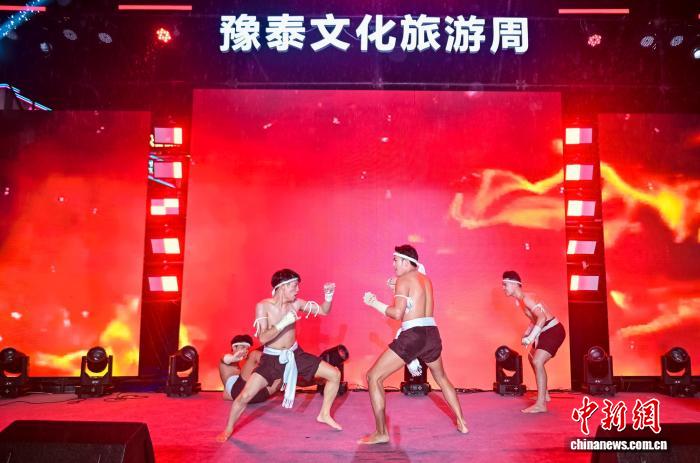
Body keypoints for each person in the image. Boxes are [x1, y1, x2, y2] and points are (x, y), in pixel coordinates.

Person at [216, 269, 342, 442]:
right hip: (271, 359)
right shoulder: (263, 306)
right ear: (282, 287)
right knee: (244, 396)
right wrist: (283, 323)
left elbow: (323, 311)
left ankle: (324, 414)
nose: (298, 290)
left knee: (335, 374)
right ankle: (228, 429)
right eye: (294, 286)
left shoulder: (296, 304)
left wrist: (328, 296)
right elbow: (262, 338)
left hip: (295, 355)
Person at [360, 245, 468, 445]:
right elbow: (414, 304)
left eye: (395, 260)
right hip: (431, 334)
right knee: (442, 378)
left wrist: (374, 303)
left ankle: (381, 433)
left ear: (405, 261)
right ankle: (462, 422)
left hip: (413, 336)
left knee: (373, 377)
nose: (393, 265)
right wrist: (395, 288)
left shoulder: (404, 280)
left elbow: (397, 314)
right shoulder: (425, 279)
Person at [502, 270, 566, 413]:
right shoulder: (520, 301)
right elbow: (535, 318)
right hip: (544, 331)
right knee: (532, 358)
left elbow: (542, 318)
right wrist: (527, 331)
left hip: (553, 330)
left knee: (537, 361)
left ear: (514, 284)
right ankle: (545, 394)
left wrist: (530, 338)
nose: (503, 288)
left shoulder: (527, 298)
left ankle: (541, 404)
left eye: (505, 284)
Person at [219, 333, 280, 403]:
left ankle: (280, 366)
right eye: (243, 347)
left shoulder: (242, 366)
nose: (245, 350)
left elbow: (226, 395)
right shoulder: (225, 358)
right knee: (254, 354)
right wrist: (234, 358)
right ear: (234, 347)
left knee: (279, 380)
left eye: (247, 348)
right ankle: (277, 364)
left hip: (255, 396)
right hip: (238, 390)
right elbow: (226, 359)